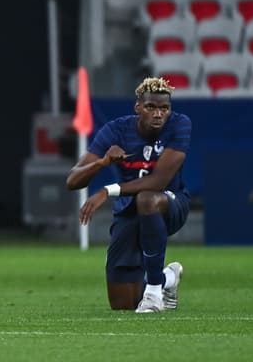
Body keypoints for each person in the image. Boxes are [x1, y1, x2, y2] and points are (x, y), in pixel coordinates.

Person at [66, 77, 190, 313]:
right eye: (150, 107)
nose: (158, 114)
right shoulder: (116, 130)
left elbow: (158, 182)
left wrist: (107, 190)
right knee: (123, 304)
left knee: (147, 198)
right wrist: (102, 163)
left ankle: (154, 292)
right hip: (129, 210)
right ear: (138, 108)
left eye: (164, 108)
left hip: (170, 204)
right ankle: (168, 278)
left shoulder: (180, 125)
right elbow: (73, 180)